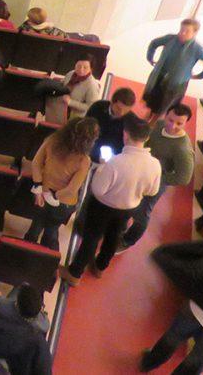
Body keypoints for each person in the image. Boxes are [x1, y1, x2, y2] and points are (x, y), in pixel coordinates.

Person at [60, 115, 160, 285]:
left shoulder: (115, 162)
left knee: (91, 237)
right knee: (113, 237)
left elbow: (98, 190)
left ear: (126, 135)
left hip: (103, 207)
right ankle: (100, 266)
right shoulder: (155, 164)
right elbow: (153, 190)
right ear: (147, 138)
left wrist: (102, 168)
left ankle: (75, 273)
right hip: (129, 207)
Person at [140, 239, 203, 375]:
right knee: (197, 360)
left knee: (173, 336)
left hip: (199, 308)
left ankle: (149, 363)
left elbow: (194, 271)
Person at [120, 103, 194, 250]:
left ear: (186, 123)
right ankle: (121, 224)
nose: (172, 126)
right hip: (141, 172)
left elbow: (183, 178)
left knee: (142, 213)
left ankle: (128, 240)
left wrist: (158, 178)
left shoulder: (182, 149)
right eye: (170, 120)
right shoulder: (159, 125)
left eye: (179, 123)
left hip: (156, 183)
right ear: (165, 115)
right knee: (128, 199)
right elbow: (147, 140)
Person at [25, 117, 97, 251]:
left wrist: (39, 188)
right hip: (62, 202)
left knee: (35, 226)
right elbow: (71, 189)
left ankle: (25, 251)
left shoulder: (52, 140)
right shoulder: (84, 160)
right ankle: (45, 258)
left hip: (41, 193)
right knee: (52, 231)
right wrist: (53, 195)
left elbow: (35, 163)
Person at [143, 18, 203, 119]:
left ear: (194, 33)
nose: (182, 33)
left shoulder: (197, 49)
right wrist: (150, 57)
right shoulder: (170, 38)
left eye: (187, 31)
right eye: (181, 30)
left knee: (166, 104)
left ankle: (154, 121)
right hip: (160, 75)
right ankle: (150, 113)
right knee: (154, 97)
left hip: (177, 83)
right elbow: (154, 43)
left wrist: (199, 76)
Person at [85, 87, 136, 162]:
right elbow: (85, 129)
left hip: (113, 160)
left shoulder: (130, 120)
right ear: (112, 102)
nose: (121, 113)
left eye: (126, 110)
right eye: (118, 108)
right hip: (89, 152)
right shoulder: (97, 107)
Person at [48, 56, 101, 123]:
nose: (81, 70)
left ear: (91, 69)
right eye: (78, 66)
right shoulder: (71, 73)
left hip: (75, 118)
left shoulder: (92, 85)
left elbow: (91, 107)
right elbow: (63, 83)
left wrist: (70, 102)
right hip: (60, 107)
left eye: (85, 67)